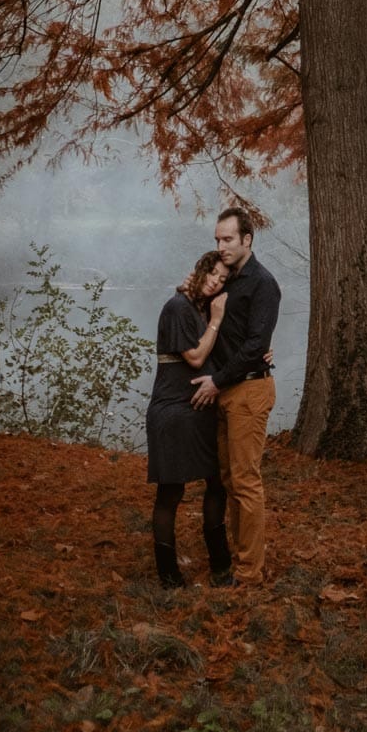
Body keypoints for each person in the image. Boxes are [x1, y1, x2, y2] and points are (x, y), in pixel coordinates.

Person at [189, 207, 281, 585]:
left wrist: (217, 381)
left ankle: (249, 573)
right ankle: (240, 562)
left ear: (247, 240)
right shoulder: (225, 278)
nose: (221, 246)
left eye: (228, 239)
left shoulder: (263, 284)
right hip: (226, 389)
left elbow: (256, 344)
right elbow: (209, 315)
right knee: (229, 479)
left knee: (245, 482)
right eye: (217, 240)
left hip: (248, 391)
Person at [145, 251, 233, 588]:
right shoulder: (178, 307)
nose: (215, 280)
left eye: (223, 279)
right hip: (173, 412)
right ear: (199, 270)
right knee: (171, 492)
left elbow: (218, 352)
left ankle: (220, 565)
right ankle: (169, 577)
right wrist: (216, 318)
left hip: (199, 412)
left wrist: (262, 353)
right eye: (212, 273)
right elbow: (195, 358)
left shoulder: (197, 307)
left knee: (217, 483)